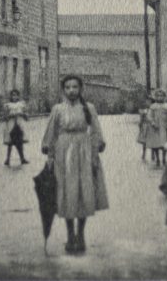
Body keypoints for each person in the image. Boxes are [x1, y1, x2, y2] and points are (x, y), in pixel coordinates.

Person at [41, 75, 109, 255]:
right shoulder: (57, 109)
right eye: (68, 87)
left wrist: (95, 154)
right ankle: (70, 234)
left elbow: (95, 131)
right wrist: (50, 155)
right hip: (63, 154)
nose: (72, 91)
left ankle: (81, 234)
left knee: (82, 191)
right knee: (67, 192)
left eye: (75, 87)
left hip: (84, 153)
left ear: (81, 89)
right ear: (63, 90)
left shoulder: (89, 108)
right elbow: (52, 134)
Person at [3, 89, 29, 166]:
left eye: (16, 95)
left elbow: (27, 117)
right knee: (10, 143)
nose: (14, 97)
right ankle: (7, 159)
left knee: (20, 142)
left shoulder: (21, 105)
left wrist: (22, 114)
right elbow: (5, 117)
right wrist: (10, 116)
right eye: (13, 95)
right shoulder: (8, 105)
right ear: (10, 96)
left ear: (18, 96)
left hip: (19, 125)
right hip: (11, 125)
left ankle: (22, 158)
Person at [146, 90, 167, 167]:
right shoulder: (153, 106)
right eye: (158, 96)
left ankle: (163, 159)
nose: (160, 97)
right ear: (156, 97)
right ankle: (158, 159)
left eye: (162, 96)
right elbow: (149, 116)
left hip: (164, 126)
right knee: (156, 143)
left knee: (164, 144)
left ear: (164, 97)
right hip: (155, 127)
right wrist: (152, 122)